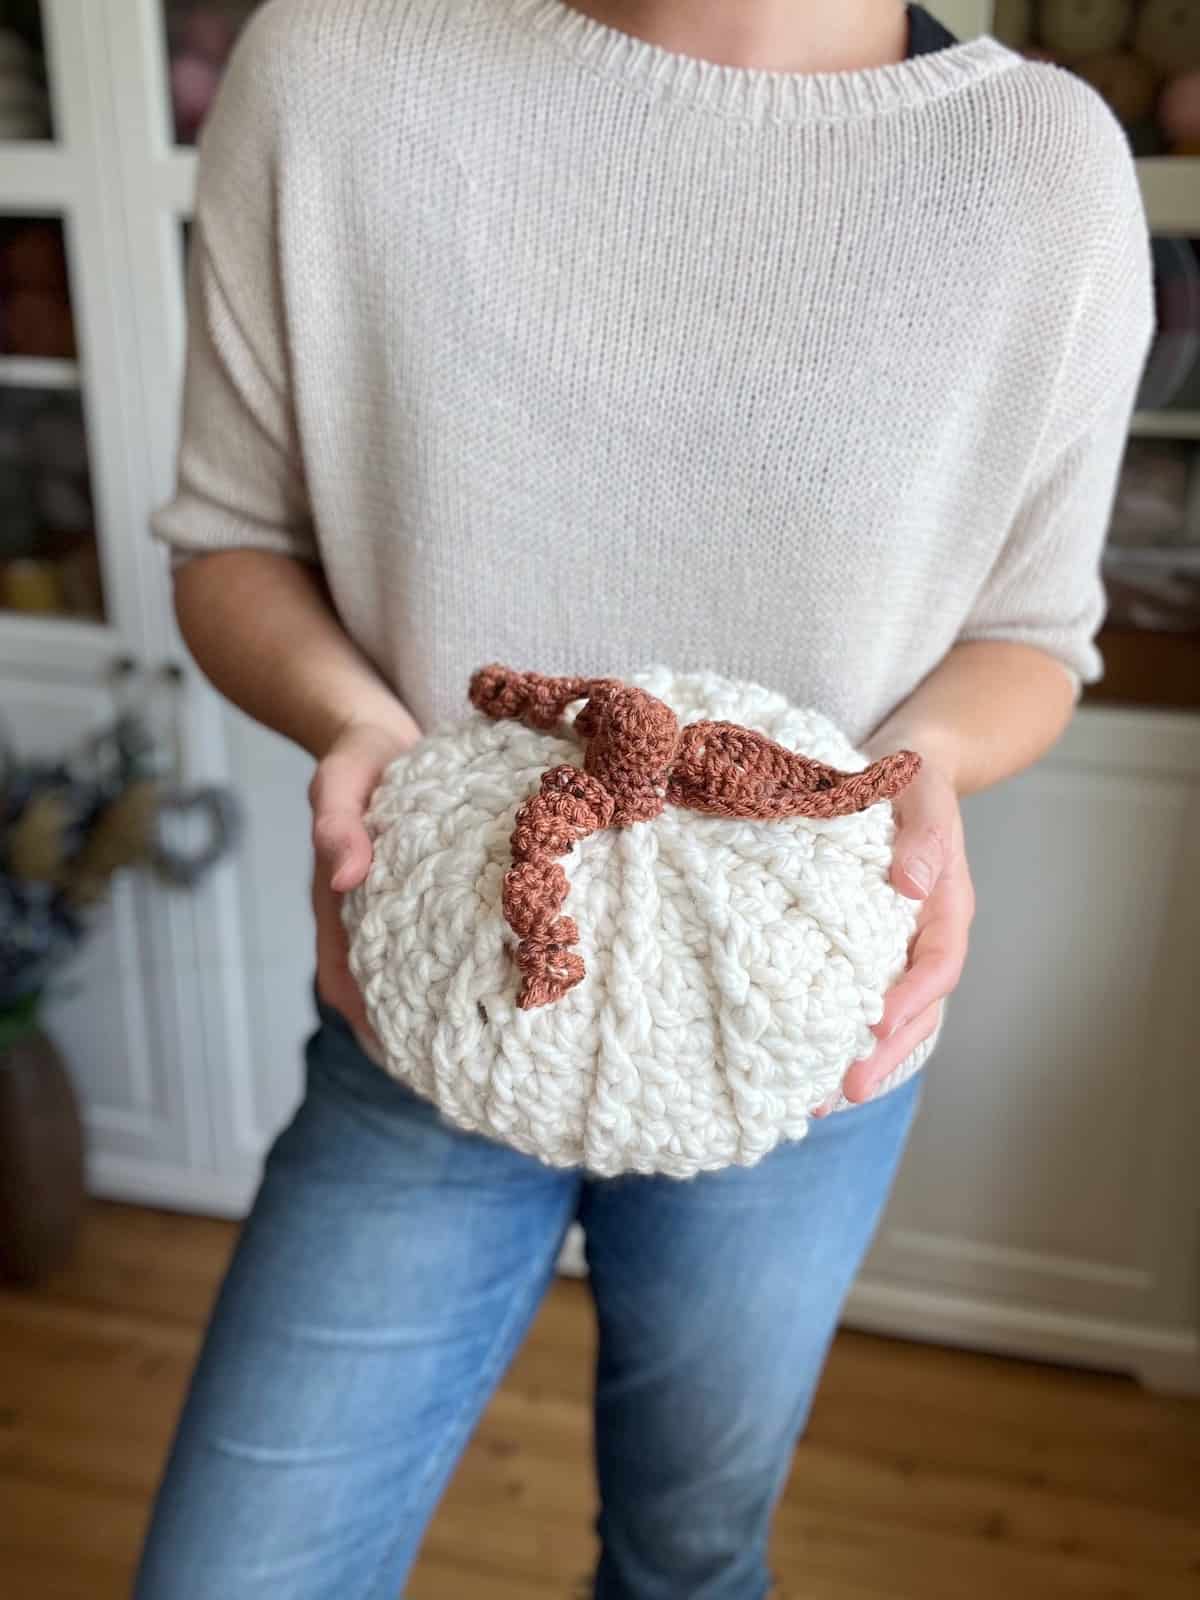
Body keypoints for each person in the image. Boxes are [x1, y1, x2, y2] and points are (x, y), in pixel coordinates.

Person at [133, 1, 1154, 1595]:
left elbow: (1032, 633)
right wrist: (358, 732)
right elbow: (229, 539)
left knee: (689, 1553)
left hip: (803, 1040)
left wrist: (926, 772)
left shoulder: (1036, 171)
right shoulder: (336, 69)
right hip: (435, 996)